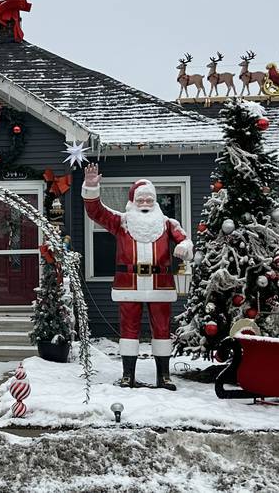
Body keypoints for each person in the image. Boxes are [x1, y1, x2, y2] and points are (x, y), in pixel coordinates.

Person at [82, 164, 193, 390]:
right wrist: (92, 187)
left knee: (162, 329)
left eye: (149, 200)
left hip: (160, 286)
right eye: (140, 200)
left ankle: (163, 376)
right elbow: (96, 212)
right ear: (132, 201)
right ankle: (127, 375)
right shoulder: (122, 222)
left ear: (155, 201)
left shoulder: (167, 223)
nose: (144, 204)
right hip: (129, 285)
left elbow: (185, 240)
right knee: (128, 329)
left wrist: (184, 246)